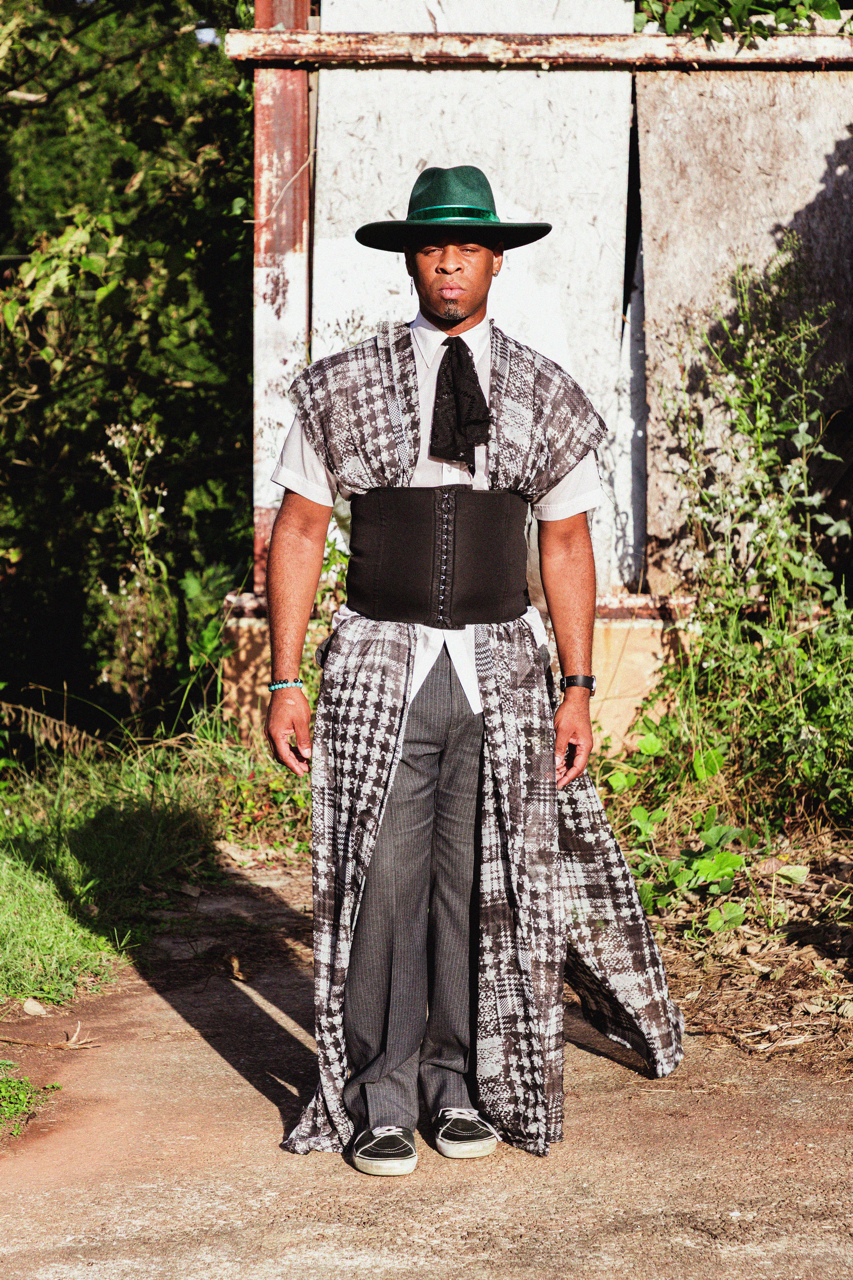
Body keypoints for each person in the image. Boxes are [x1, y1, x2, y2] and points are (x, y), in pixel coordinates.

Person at [265, 165, 682, 1177]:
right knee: (383, 878)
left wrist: (578, 685)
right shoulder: (345, 384)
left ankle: (457, 1083)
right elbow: (302, 528)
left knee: (478, 881)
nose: (448, 260)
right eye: (430, 244)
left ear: (495, 257)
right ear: (411, 257)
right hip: (378, 660)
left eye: (466, 244)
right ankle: (381, 1093)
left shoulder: (542, 388)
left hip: (502, 670)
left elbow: (569, 545)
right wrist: (284, 678)